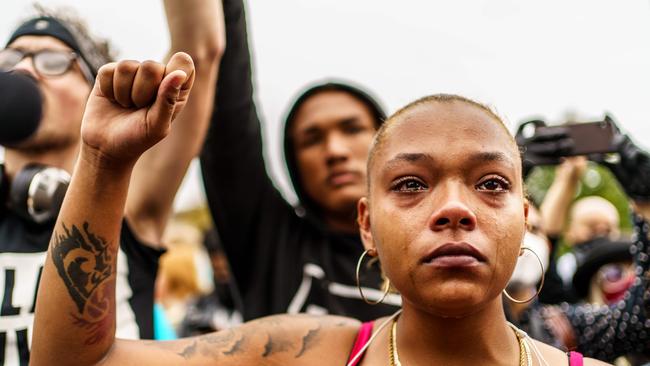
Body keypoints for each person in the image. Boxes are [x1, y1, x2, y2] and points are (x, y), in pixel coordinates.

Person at [32, 87, 624, 365]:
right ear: (366, 224)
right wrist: (105, 164)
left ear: (525, 219)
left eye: (490, 183)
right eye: (411, 184)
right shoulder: (297, 353)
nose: (454, 208)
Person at [0, 2, 224, 364]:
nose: (23, 69)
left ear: (95, 93)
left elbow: (199, 48)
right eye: (11, 57)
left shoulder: (127, 196)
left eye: (53, 62)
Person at [200, 0, 399, 322]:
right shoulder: (272, 243)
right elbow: (228, 118)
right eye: (311, 139)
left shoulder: (439, 249)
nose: (334, 150)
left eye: (352, 129)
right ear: (293, 162)